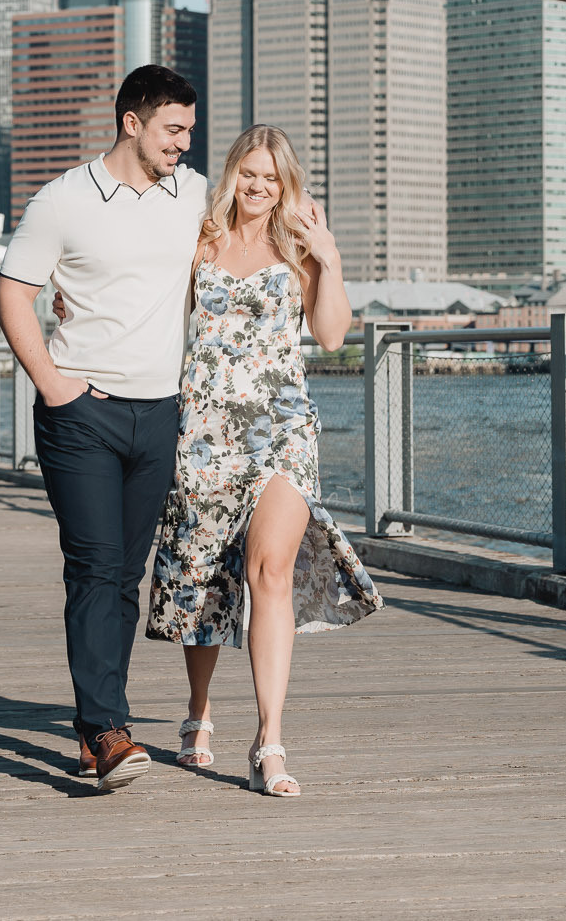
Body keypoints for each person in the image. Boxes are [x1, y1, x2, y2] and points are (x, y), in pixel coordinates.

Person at [144, 125, 381, 798]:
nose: (258, 186)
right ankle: (199, 711)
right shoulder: (200, 244)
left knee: (268, 569)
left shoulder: (298, 250)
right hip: (205, 430)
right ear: (231, 175)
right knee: (206, 577)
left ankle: (269, 738)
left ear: (286, 185)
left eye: (271, 177)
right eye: (249, 173)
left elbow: (332, 334)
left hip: (281, 428)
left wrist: (330, 256)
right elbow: (154, 312)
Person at [0, 64, 203, 793]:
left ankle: (94, 725)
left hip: (162, 411)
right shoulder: (63, 200)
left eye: (189, 130)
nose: (183, 143)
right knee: (93, 564)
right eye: (173, 129)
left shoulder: (197, 194)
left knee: (125, 576)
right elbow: (14, 294)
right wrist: (53, 384)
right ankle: (110, 729)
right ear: (132, 122)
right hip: (83, 412)